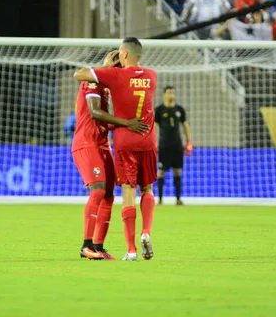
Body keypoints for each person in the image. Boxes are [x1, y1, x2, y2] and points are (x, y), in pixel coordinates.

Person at [73, 37, 158, 262]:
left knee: (110, 194)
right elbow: (94, 113)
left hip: (103, 143)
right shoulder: (93, 83)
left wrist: (120, 122)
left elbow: (106, 119)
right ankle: (86, 245)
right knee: (100, 189)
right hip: (86, 142)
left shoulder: (110, 86)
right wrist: (127, 123)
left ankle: (99, 246)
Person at [154, 86, 192, 205]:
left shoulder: (179, 109)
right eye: (169, 93)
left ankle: (178, 199)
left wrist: (189, 141)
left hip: (177, 145)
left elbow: (185, 125)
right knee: (161, 172)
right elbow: (154, 127)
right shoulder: (159, 110)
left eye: (173, 93)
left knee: (177, 171)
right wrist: (153, 143)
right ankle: (160, 199)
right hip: (164, 145)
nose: (172, 95)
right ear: (164, 94)